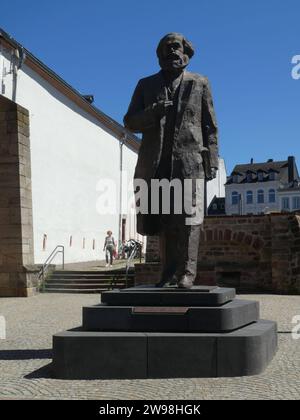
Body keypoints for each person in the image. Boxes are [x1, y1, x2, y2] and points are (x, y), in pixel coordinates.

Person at [124, 33, 219, 289]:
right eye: (165, 49)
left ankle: (187, 273)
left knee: (190, 218)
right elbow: (130, 122)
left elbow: (209, 126)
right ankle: (167, 273)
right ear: (159, 56)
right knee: (165, 219)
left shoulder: (200, 83)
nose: (171, 52)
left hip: (190, 162)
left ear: (186, 52)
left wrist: (211, 160)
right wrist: (154, 112)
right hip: (156, 163)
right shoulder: (146, 85)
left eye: (175, 47)